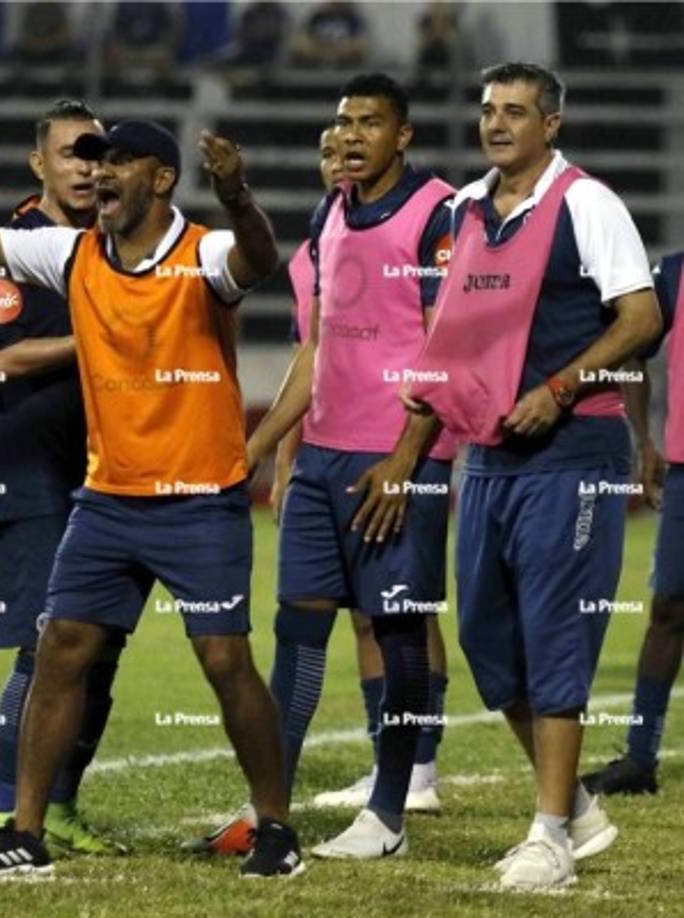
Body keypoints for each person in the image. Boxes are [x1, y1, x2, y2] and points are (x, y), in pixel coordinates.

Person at [0, 85, 304, 879]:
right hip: (107, 500)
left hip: (198, 499)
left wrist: (240, 195)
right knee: (61, 649)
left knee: (223, 660)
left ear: (160, 180)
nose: (99, 173)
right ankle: (24, 830)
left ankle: (276, 827)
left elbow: (258, 258)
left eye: (117, 162)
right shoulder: (72, 252)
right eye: (91, 161)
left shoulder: (202, 253)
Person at [397, 62, 661, 889]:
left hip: (573, 452)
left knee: (553, 637)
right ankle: (577, 808)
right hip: (488, 453)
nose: (497, 123)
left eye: (516, 111)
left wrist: (561, 387)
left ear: (552, 123)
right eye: (487, 110)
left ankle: (550, 834)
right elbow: (453, 341)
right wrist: (413, 438)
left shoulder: (588, 204)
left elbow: (642, 317)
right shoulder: (464, 211)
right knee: (484, 639)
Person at [190, 110, 452, 859]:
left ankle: (390, 811)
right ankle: (271, 805)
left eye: (368, 126)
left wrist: (407, 460)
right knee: (297, 626)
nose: (349, 142)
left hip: (396, 459)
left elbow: (448, 345)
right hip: (324, 459)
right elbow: (317, 345)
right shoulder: (329, 214)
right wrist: (261, 449)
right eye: (337, 132)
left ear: (401, 135)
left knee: (395, 628)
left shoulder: (438, 212)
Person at [0, 100, 126, 857]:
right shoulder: (16, 245)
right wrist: (97, 336)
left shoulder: (120, 242)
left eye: (98, 154)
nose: (89, 167)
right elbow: (0, 359)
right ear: (41, 164)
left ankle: (58, 803)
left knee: (101, 647)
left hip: (111, 477)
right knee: (43, 649)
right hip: (34, 476)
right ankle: (4, 809)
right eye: (72, 153)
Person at [582, 250, 684, 796]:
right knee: (668, 608)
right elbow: (632, 348)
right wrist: (644, 439)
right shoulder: (674, 274)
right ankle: (640, 758)